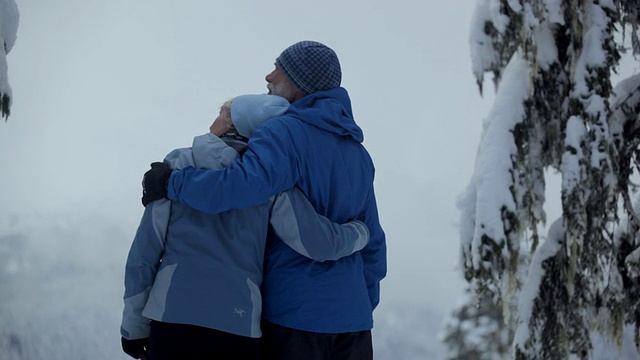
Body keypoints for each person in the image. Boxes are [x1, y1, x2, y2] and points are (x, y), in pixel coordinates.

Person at [142, 40, 387, 360]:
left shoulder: (283, 132)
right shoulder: (358, 153)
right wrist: (360, 305)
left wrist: (171, 182)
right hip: (354, 324)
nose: (269, 77)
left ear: (301, 82)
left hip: (294, 317)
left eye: (279, 70)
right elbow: (374, 245)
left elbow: (237, 188)